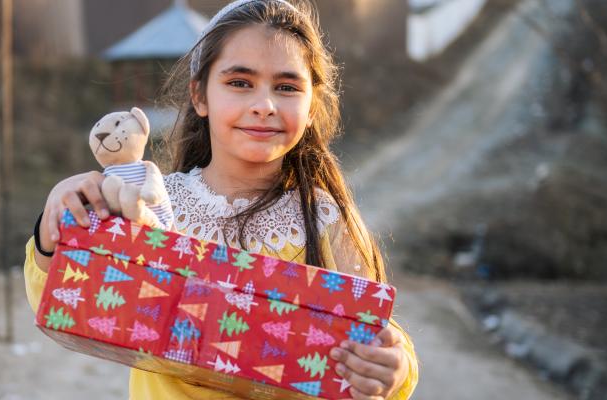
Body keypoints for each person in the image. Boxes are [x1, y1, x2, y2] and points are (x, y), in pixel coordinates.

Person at [23, 0, 419, 398]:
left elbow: (376, 332)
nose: (264, 106)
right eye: (240, 83)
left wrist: (394, 365)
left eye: (286, 87)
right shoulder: (150, 205)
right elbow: (64, 295)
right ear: (200, 96)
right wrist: (52, 227)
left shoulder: (324, 218)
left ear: (312, 105)